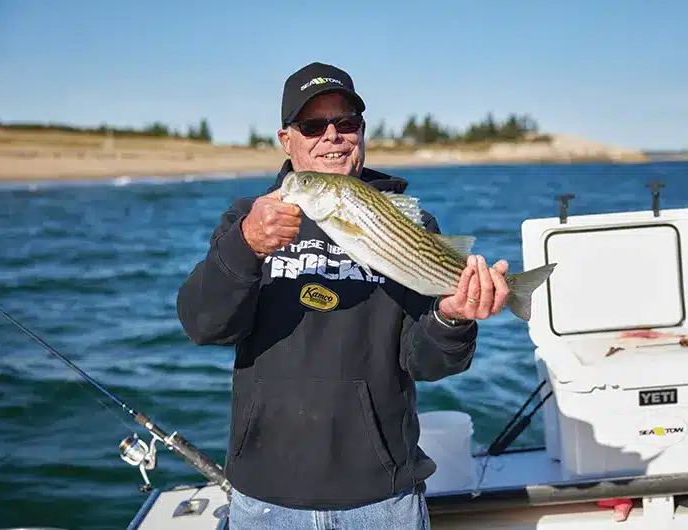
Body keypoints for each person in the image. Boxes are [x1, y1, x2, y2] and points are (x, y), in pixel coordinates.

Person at [176, 61, 512, 530]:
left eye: (346, 123)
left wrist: (453, 317)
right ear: (286, 140)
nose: (332, 135)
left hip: (383, 499)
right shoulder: (246, 220)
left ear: (361, 133)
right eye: (313, 125)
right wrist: (245, 245)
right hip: (267, 498)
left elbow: (428, 363)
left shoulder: (412, 224)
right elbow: (203, 325)